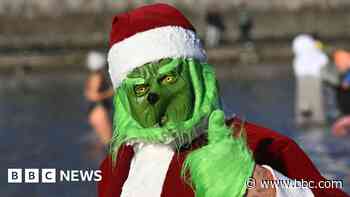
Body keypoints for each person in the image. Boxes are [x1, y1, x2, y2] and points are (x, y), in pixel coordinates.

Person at [98, 4, 347, 197]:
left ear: (199, 78)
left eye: (168, 78)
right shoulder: (116, 165)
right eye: (140, 89)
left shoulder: (259, 144)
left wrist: (269, 187)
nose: (156, 97)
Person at [292, 34, 329, 126]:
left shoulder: (300, 52)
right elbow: (324, 61)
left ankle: (302, 121)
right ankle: (318, 121)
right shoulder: (316, 52)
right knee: (316, 103)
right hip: (315, 78)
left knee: (303, 103)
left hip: (302, 78)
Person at [85, 51, 113, 146]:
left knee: (102, 144)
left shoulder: (92, 77)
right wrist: (110, 92)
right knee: (108, 143)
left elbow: (88, 93)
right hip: (99, 110)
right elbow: (92, 96)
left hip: (96, 111)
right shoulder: (97, 77)